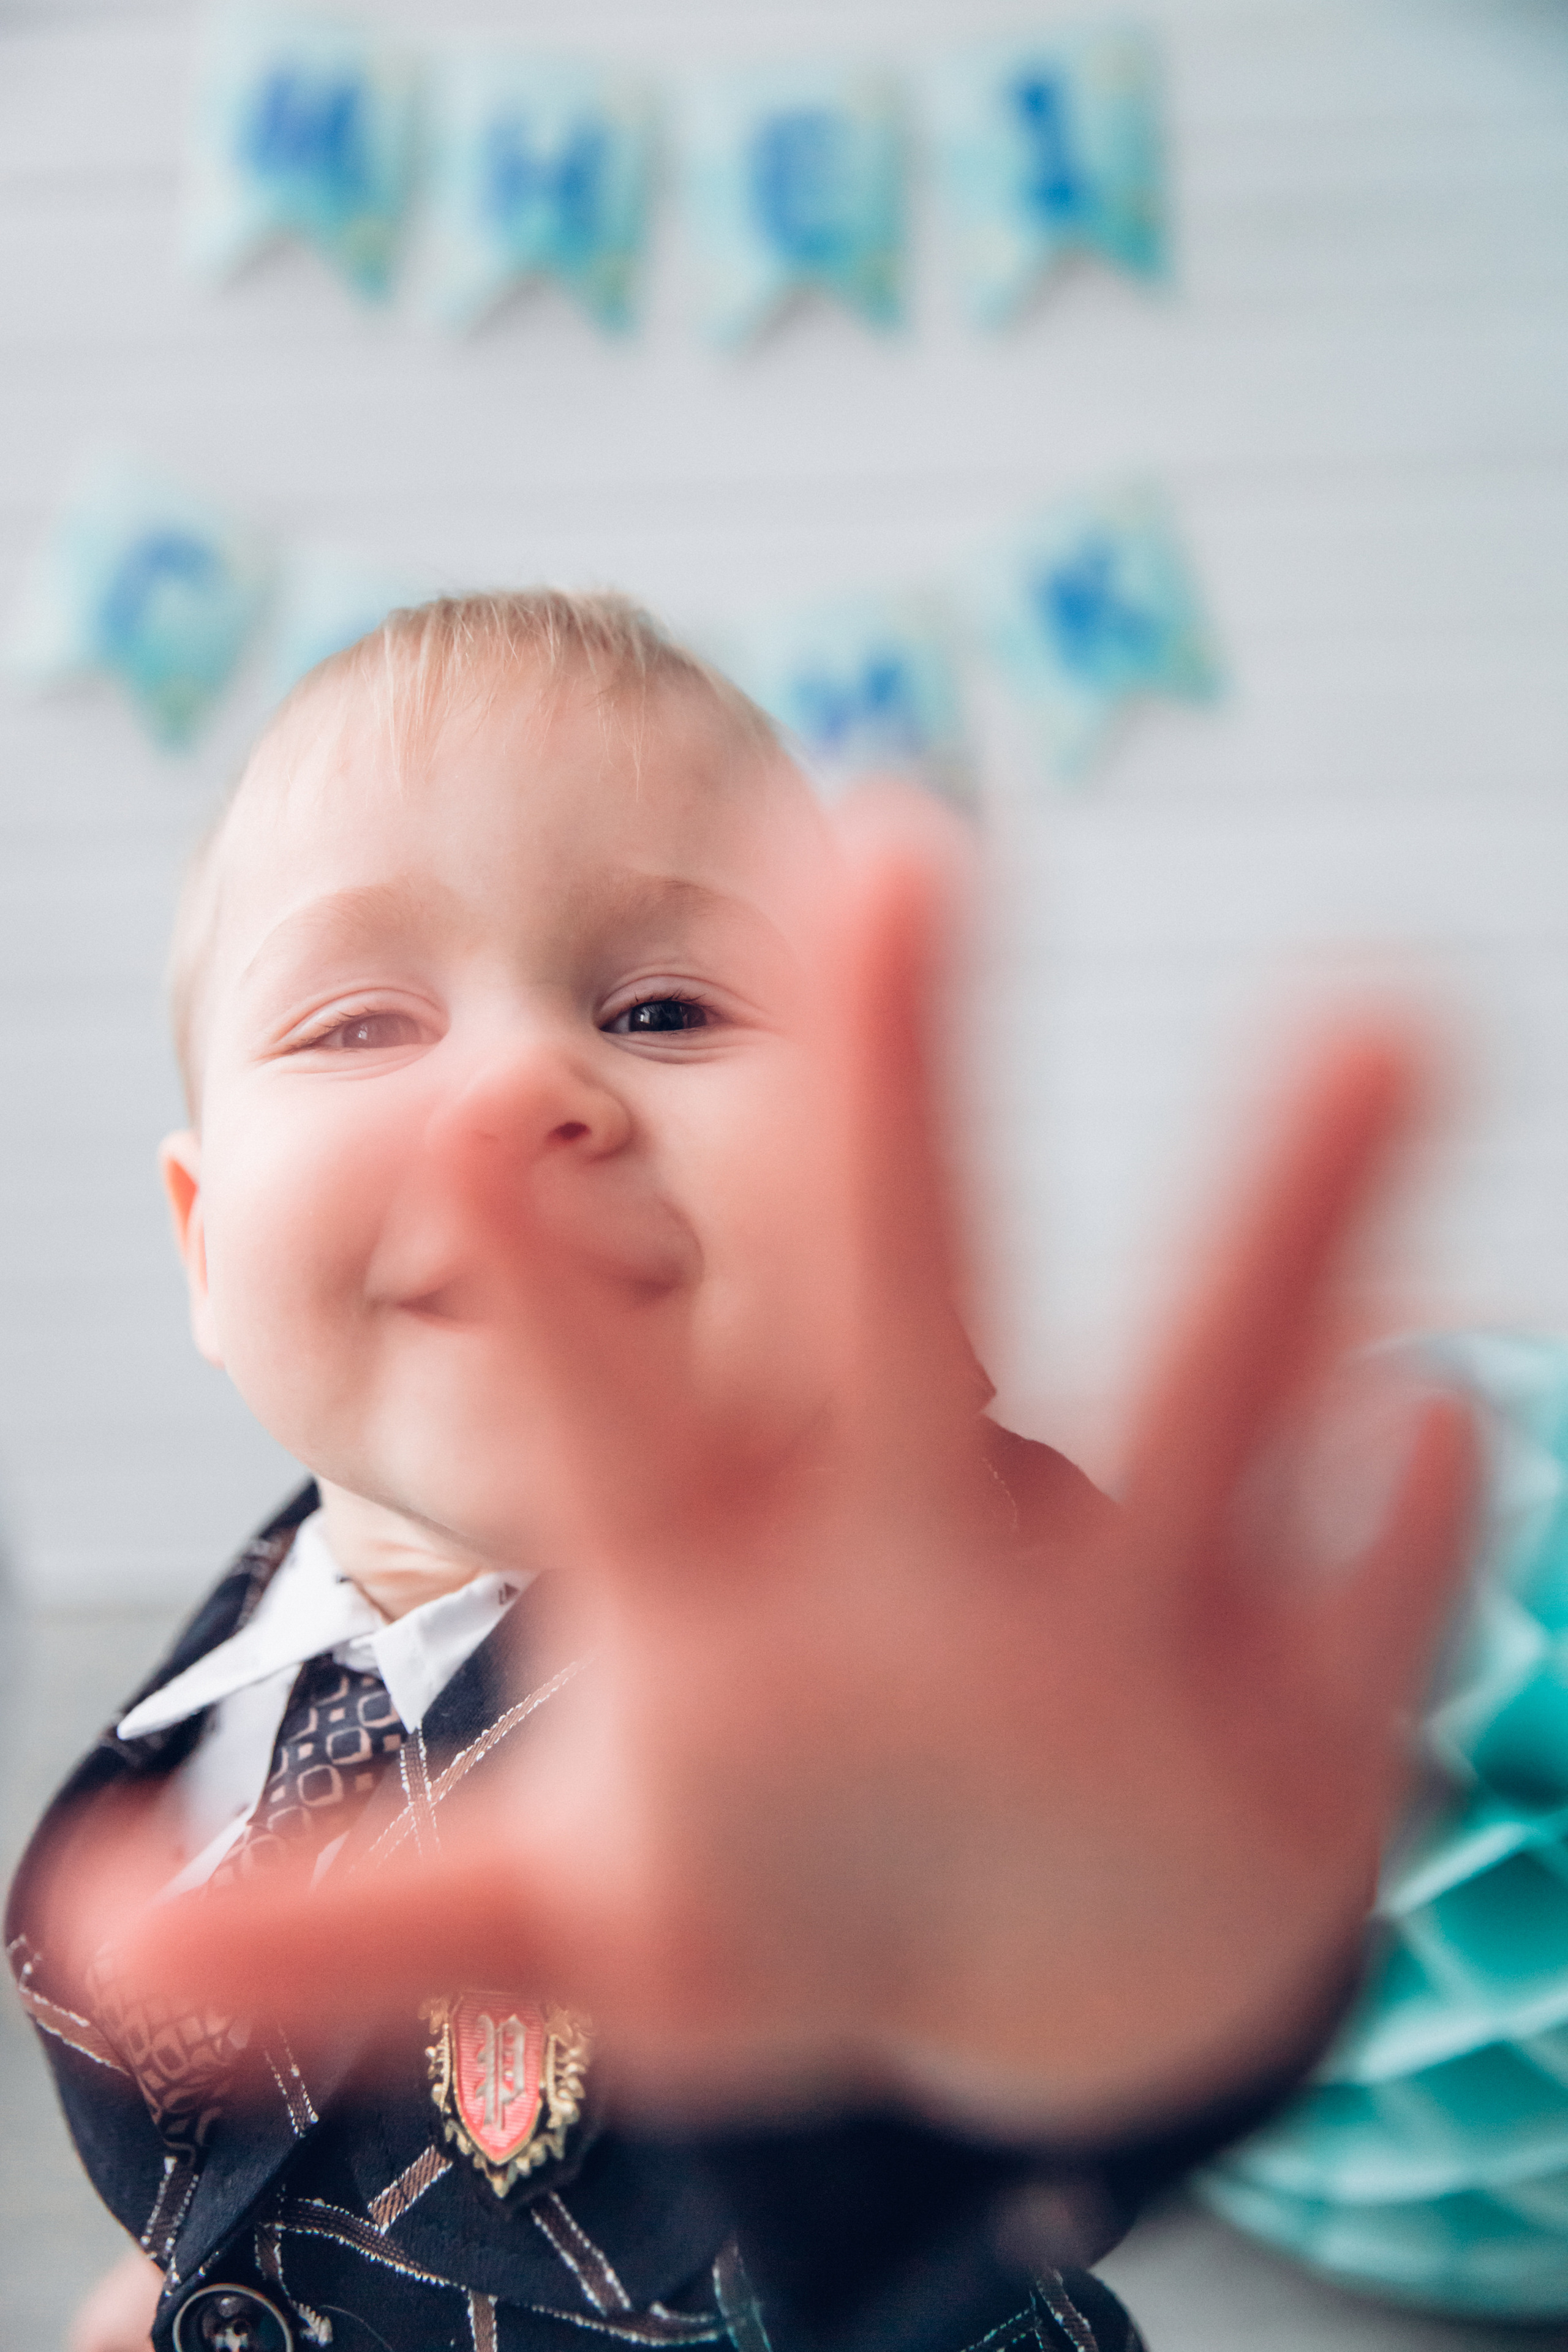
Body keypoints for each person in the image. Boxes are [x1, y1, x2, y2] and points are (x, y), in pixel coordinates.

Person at [9, 592, 1474, 2352]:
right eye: (362, 1024)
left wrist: (1075, 2026)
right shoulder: (242, 1668)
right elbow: (273, 2125)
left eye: (665, 1008)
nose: (525, 1087)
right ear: (198, 1246)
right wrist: (197, 2270)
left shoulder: (913, 1649)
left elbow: (953, 1961)